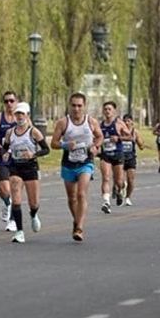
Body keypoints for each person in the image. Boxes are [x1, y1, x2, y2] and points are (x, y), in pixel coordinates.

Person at [50, 92, 102, 241]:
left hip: (86, 162)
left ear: (84, 106)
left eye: (79, 106)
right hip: (68, 163)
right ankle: (76, 220)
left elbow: (100, 137)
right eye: (73, 105)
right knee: (72, 198)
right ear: (69, 105)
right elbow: (53, 143)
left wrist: (96, 147)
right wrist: (65, 145)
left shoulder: (91, 122)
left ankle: (79, 227)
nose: (76, 109)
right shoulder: (63, 123)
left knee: (81, 194)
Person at [0, 102, 49, 243]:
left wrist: (33, 154)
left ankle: (33, 214)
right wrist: (5, 153)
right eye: (17, 114)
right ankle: (20, 232)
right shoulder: (10, 133)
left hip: (31, 168)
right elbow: (5, 148)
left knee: (33, 202)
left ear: (27, 115)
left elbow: (46, 149)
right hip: (16, 167)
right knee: (15, 195)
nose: (19, 116)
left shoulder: (33, 132)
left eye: (22, 114)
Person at [0, 91, 18, 231]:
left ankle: (12, 220)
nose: (9, 104)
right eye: (6, 101)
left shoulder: (22, 118)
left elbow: (30, 134)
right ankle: (7, 203)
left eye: (12, 101)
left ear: (16, 101)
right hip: (2, 156)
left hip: (17, 157)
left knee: (14, 188)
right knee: (4, 190)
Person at [98, 101, 129, 212]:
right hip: (105, 155)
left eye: (109, 109)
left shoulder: (119, 123)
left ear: (114, 111)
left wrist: (119, 138)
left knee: (118, 181)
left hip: (117, 154)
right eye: (105, 109)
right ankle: (106, 202)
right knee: (106, 178)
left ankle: (120, 190)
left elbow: (130, 137)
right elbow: (95, 137)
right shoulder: (100, 125)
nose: (107, 111)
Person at [121, 114, 144, 206]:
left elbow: (140, 144)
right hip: (120, 158)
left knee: (131, 180)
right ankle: (121, 187)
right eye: (125, 121)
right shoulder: (119, 131)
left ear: (132, 122)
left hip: (131, 158)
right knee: (120, 181)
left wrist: (140, 143)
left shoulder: (135, 132)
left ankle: (128, 197)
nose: (126, 123)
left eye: (128, 121)